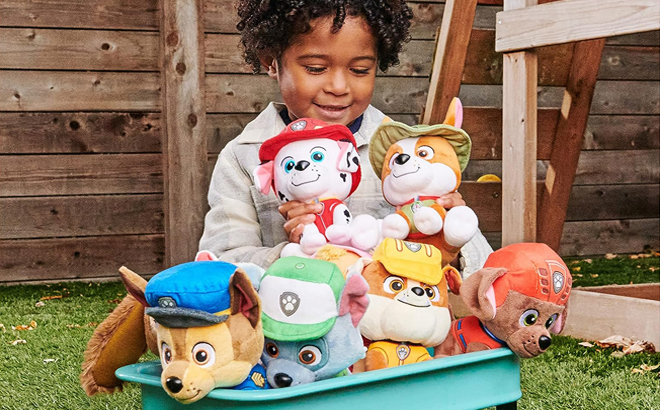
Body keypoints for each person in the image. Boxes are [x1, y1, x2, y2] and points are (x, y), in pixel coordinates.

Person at [199, 0, 492, 276]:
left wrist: (450, 237)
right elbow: (220, 264)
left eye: (359, 70)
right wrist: (292, 253)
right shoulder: (242, 157)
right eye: (315, 68)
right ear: (271, 62)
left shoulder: (405, 150)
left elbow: (482, 268)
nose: (339, 86)